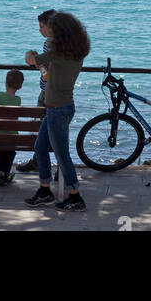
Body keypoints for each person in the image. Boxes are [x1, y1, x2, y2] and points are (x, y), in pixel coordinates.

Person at [24, 11, 90, 212]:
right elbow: (47, 68)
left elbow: (31, 60)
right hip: (61, 108)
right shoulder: (75, 52)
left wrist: (30, 54)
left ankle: (75, 196)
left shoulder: (57, 53)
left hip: (57, 110)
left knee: (62, 156)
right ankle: (45, 190)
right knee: (40, 147)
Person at [17, 9, 55, 174]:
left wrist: (33, 59)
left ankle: (37, 161)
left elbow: (46, 69)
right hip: (60, 92)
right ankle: (54, 165)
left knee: (41, 128)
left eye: (41, 26)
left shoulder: (49, 44)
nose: (40, 30)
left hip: (47, 92)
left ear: (50, 27)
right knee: (57, 131)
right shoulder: (65, 44)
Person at [0, 67, 25, 186]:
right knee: (10, 154)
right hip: (11, 137)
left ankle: (0, 173)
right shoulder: (17, 100)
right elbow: (15, 119)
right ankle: (4, 173)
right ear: (20, 86)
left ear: (5, 83)